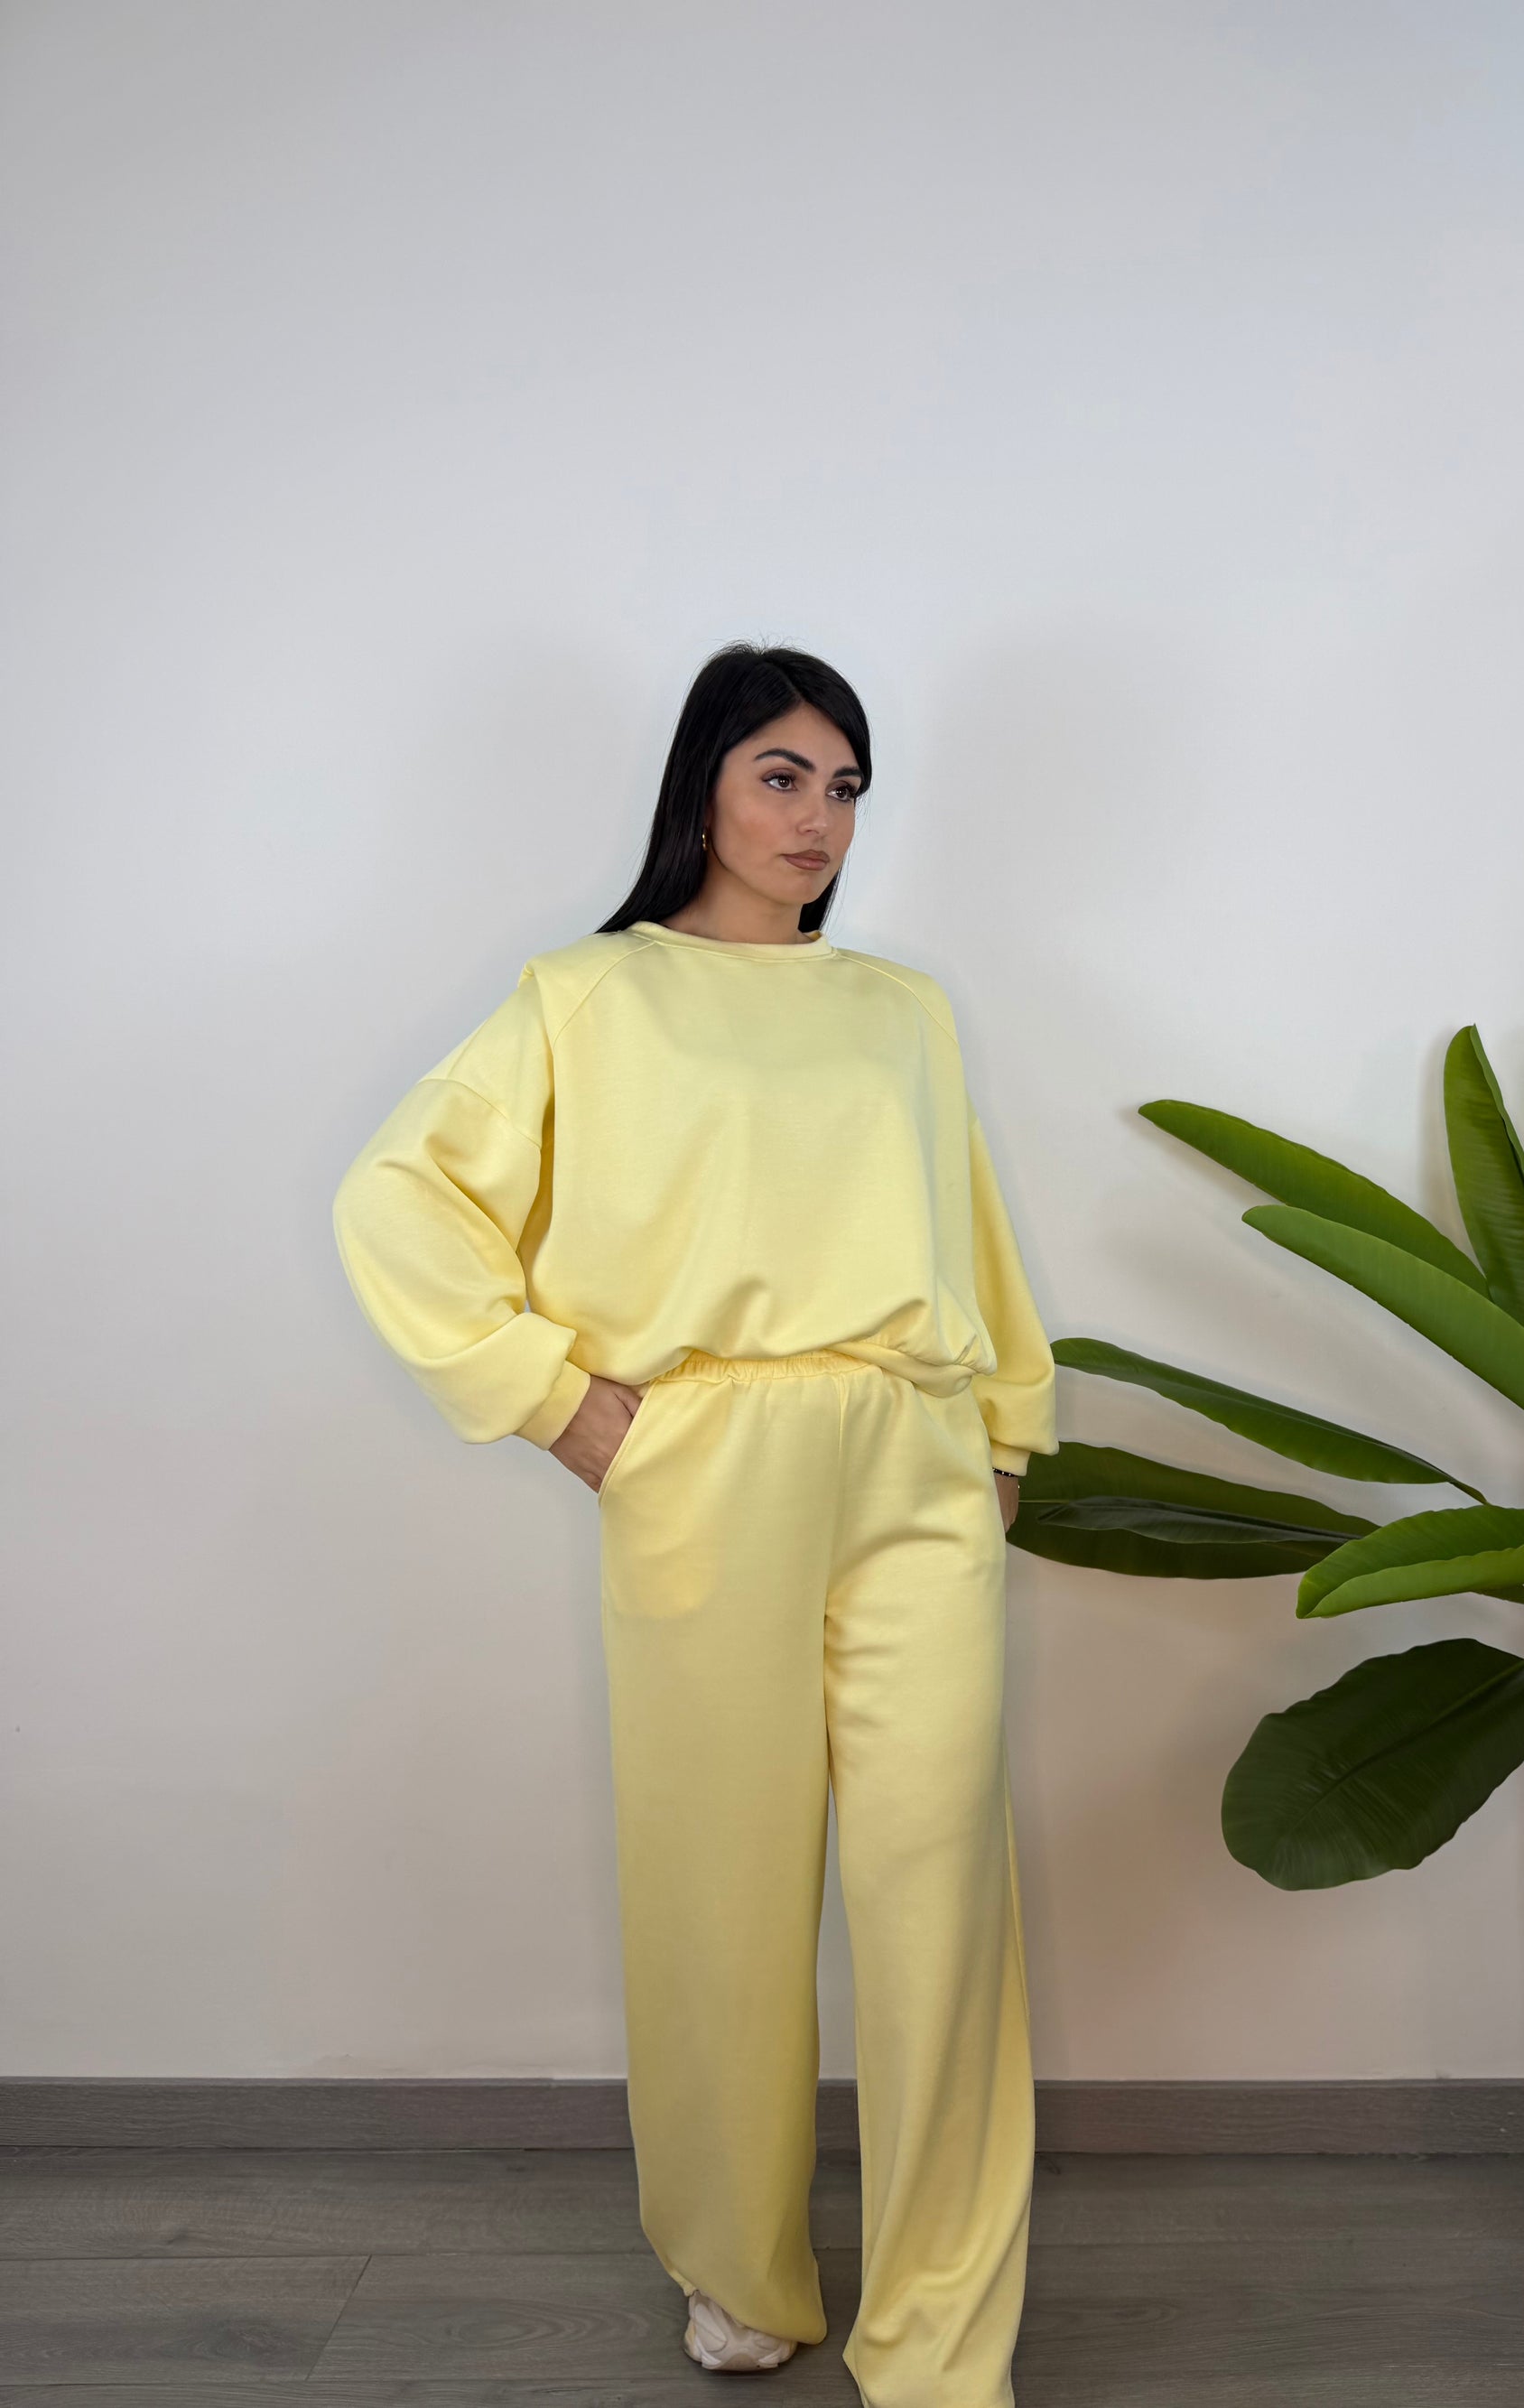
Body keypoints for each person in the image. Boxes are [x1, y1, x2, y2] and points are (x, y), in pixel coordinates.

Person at [331, 641, 1059, 2404]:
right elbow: (399, 1195)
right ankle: (741, 2272)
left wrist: (1006, 1439)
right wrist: (558, 1398)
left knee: (944, 1902)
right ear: (704, 790)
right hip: (705, 1458)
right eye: (781, 775)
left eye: (846, 784)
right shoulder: (590, 996)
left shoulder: (903, 1010)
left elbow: (969, 1235)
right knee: (716, 1891)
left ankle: (941, 2345)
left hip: (912, 1456)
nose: (819, 818)